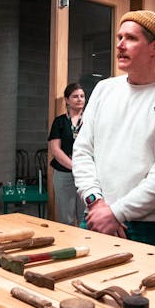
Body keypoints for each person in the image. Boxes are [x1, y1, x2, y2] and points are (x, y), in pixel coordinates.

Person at [73, 10, 155, 249]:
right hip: (97, 216)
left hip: (150, 226)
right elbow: (82, 151)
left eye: (130, 38)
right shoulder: (103, 89)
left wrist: (117, 212)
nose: (120, 45)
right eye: (119, 37)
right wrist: (95, 202)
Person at [48, 83, 86, 226]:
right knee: (66, 218)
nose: (79, 99)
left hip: (86, 173)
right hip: (64, 173)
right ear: (67, 100)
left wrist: (81, 169)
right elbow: (55, 150)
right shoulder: (60, 122)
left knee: (85, 217)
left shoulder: (90, 121)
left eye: (82, 96)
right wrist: (74, 167)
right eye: (75, 96)